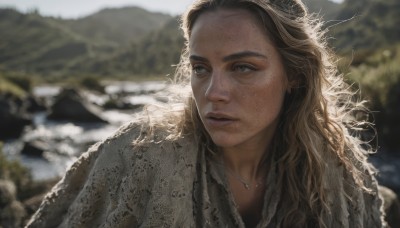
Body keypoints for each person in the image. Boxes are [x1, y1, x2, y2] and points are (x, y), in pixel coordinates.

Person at [27, 0, 387, 227]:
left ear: (294, 74)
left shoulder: (340, 169)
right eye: (201, 68)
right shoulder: (137, 156)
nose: (214, 93)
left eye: (243, 68)